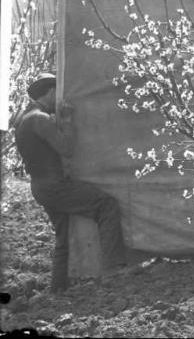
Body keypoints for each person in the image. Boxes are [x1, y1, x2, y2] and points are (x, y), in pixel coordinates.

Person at [15, 73, 129, 293]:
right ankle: (114, 270)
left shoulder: (23, 119)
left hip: (39, 187)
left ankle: (58, 287)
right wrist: (66, 119)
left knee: (63, 235)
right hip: (55, 186)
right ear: (49, 93)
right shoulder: (40, 119)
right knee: (106, 205)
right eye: (57, 93)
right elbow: (67, 148)